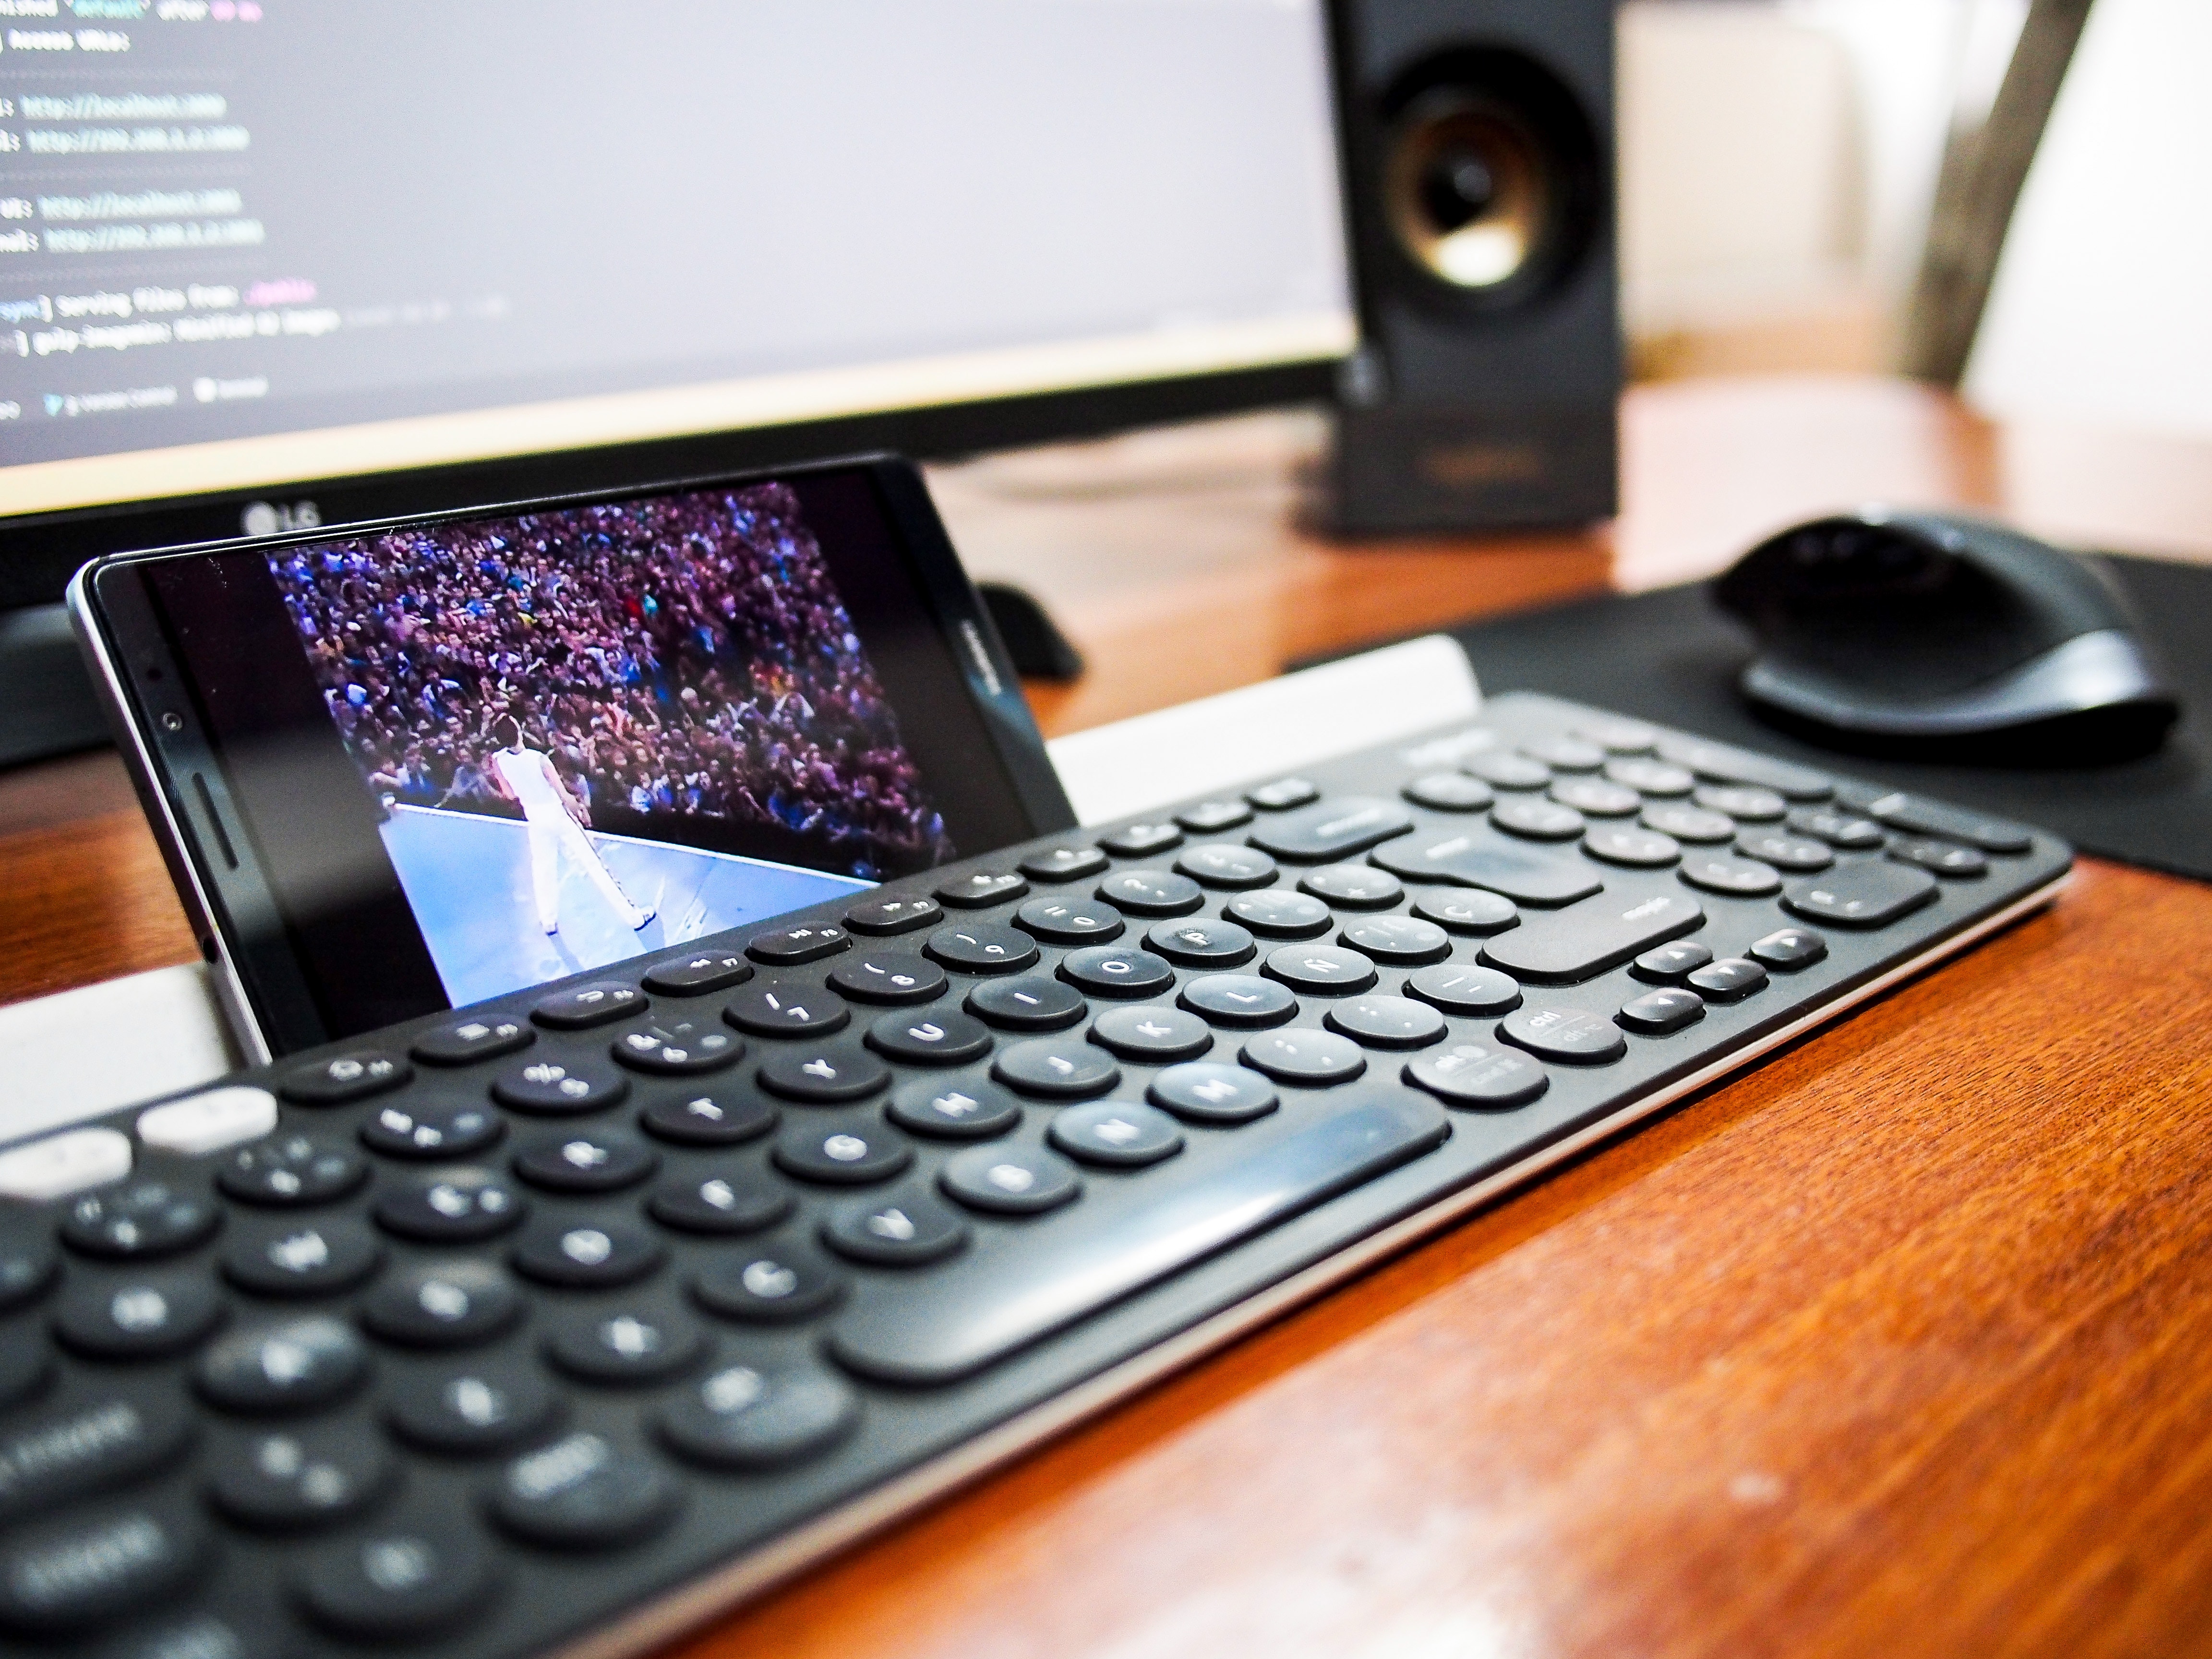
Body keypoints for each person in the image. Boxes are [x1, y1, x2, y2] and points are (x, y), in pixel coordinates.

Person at [484, 714, 654, 934]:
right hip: (557, 815)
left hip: (535, 819)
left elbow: (509, 794)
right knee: (594, 866)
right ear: (518, 732)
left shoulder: (499, 760)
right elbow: (564, 796)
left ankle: (548, 921)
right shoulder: (539, 760)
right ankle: (633, 917)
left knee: (543, 868)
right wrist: (581, 812)